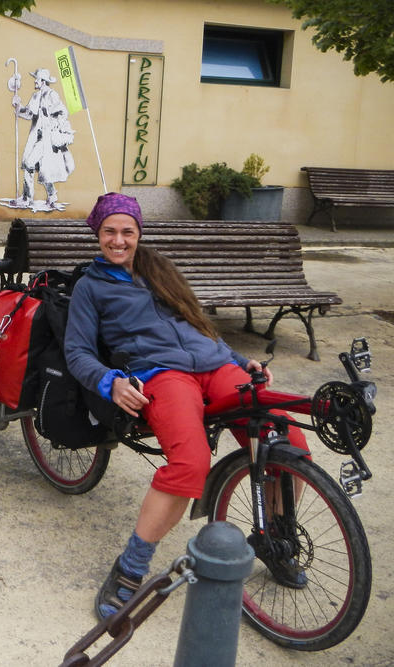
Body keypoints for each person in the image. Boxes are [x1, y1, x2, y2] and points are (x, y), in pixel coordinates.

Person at [63, 192, 310, 619]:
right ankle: (131, 566)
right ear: (97, 234)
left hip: (216, 366)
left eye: (127, 232)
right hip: (162, 375)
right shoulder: (90, 286)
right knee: (191, 464)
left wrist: (237, 359)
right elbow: (77, 351)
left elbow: (198, 324)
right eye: (109, 232)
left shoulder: (159, 270)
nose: (118, 241)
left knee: (288, 439)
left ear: (139, 234)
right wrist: (111, 382)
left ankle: (275, 538)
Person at [9, 68, 75, 211]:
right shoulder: (35, 96)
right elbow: (28, 114)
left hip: (47, 138)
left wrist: (53, 120)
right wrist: (18, 106)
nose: (35, 81)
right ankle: (51, 197)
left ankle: (27, 198)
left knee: (30, 164)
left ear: (43, 81)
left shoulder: (52, 95)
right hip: (36, 137)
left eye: (37, 79)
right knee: (40, 168)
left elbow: (63, 112)